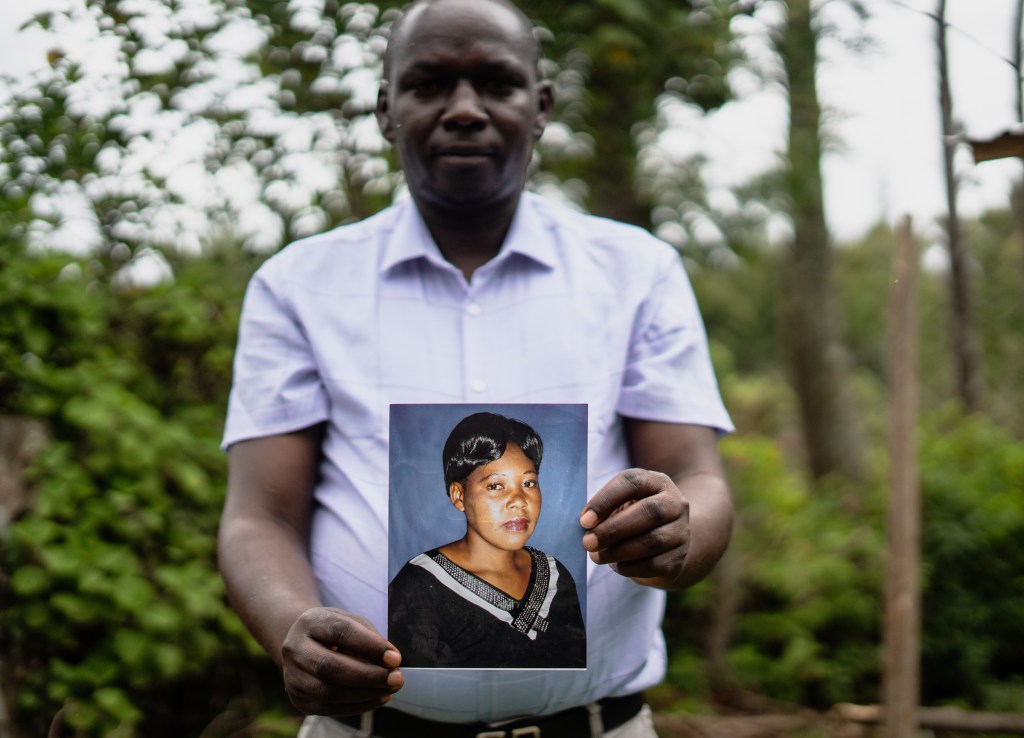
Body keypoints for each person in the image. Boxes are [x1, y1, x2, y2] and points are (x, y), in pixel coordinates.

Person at [217, 0, 734, 735]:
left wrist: (680, 534)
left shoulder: (637, 272)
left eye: (496, 82)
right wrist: (292, 626)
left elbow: (699, 478)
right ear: (386, 110)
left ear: (542, 105)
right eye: (429, 84)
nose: (465, 109)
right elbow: (258, 515)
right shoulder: (297, 286)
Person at [388, 412, 586, 669]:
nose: (518, 500)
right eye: (495, 486)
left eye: (528, 483)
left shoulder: (554, 574)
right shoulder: (419, 584)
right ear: (459, 496)